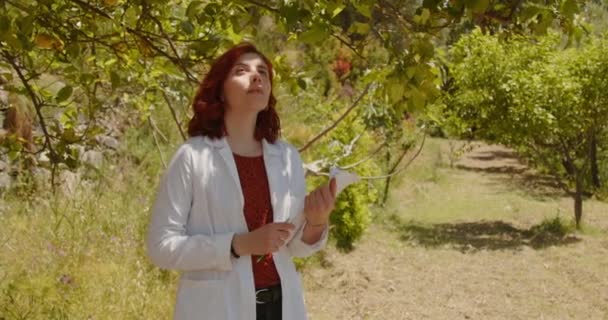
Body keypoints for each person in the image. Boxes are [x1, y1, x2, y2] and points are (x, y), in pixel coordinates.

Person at [146, 42, 337, 320]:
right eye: (242, 71)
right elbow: (160, 247)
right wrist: (238, 245)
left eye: (262, 72)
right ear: (220, 90)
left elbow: (292, 246)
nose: (256, 76)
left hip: (282, 306)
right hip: (218, 308)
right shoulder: (192, 156)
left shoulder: (286, 157)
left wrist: (316, 221)